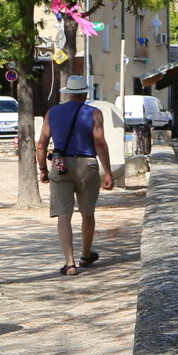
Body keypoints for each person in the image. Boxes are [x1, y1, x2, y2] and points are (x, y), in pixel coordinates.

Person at [38, 75, 113, 275]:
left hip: (60, 165)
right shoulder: (95, 113)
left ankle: (70, 264)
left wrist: (43, 169)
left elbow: (42, 145)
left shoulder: (52, 113)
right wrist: (108, 172)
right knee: (87, 212)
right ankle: (85, 255)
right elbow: (99, 143)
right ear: (85, 94)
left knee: (63, 216)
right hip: (87, 165)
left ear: (68, 93)